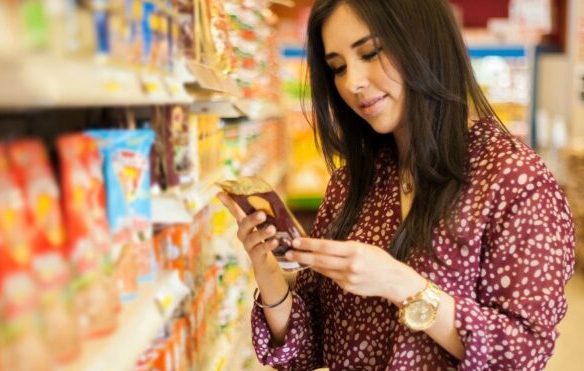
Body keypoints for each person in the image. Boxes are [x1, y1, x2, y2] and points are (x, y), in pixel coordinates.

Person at [217, 0, 576, 369]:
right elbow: (306, 349)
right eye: (337, 67)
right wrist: (270, 275)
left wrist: (401, 285)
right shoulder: (353, 183)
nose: (352, 82)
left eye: (371, 53)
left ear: (424, 43)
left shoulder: (515, 180)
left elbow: (523, 353)